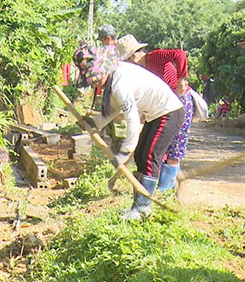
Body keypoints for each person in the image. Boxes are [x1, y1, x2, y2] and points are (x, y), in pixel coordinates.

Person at [73, 44, 184, 220]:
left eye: (93, 78)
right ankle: (138, 206)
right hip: (157, 114)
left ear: (102, 70)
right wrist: (93, 123)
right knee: (141, 155)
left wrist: (124, 152)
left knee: (149, 156)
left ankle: (142, 209)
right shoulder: (114, 78)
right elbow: (112, 110)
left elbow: (132, 120)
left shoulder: (119, 82)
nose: (93, 82)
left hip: (169, 112)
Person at [116, 34, 190, 192]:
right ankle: (152, 187)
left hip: (179, 102)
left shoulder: (154, 57)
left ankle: (165, 190)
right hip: (160, 108)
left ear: (134, 55)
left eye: (127, 61)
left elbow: (180, 54)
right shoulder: (143, 70)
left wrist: (181, 79)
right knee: (151, 148)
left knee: (173, 151)